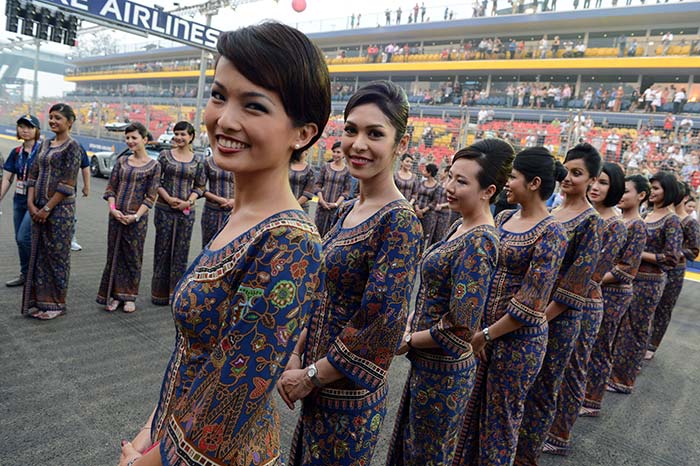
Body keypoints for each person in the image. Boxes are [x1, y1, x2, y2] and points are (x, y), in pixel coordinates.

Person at [118, 22, 330, 466]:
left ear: (303, 133)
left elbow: (233, 395)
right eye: (219, 96)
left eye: (253, 105)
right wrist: (150, 430)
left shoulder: (288, 243)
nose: (224, 119)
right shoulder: (243, 216)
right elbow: (196, 356)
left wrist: (146, 462)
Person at [281, 81, 423, 466]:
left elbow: (380, 323)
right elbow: (324, 294)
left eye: (375, 133)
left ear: (402, 143)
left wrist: (310, 375)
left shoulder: (399, 221)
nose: (358, 144)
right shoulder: (349, 209)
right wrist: (296, 354)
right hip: (319, 383)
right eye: (351, 129)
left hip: (348, 396)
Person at [386, 139, 514, 466]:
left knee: (426, 456)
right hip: (429, 363)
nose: (449, 187)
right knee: (412, 447)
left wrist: (408, 339)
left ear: (488, 190)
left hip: (444, 370)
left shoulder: (480, 241)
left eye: (461, 181)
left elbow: (460, 326)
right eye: (450, 176)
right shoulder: (461, 225)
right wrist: (415, 318)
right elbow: (438, 293)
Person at [452, 147, 568, 465]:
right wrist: (477, 329)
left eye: (513, 177)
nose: (507, 183)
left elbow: (531, 301)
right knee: (467, 416)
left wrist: (486, 335)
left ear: (533, 183)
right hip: (481, 335)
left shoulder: (552, 232)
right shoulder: (503, 217)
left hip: (517, 343)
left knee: (500, 423)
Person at [516, 143, 603, 464]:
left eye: (578, 173)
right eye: (567, 170)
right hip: (532, 313)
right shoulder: (552, 211)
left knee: (544, 386)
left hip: (558, 317)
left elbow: (574, 286)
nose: (568, 177)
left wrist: (537, 317)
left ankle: (527, 454)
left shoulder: (592, 222)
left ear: (592, 180)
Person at [545, 162, 625, 454]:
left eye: (603, 182)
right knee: (550, 371)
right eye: (596, 181)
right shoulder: (559, 212)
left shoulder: (610, 223)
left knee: (574, 368)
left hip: (585, 303)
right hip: (553, 300)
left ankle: (559, 434)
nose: (596, 187)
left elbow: (594, 273)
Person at [607, 171, 683, 394]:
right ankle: (613, 373)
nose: (653, 192)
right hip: (631, 278)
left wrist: (638, 254)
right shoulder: (647, 215)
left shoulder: (671, 220)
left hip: (650, 282)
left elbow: (672, 257)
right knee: (621, 328)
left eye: (657, 188)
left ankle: (624, 379)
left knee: (636, 329)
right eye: (652, 188)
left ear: (668, 191)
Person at [582, 174, 648, 417]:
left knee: (601, 345)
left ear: (640, 196)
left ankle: (592, 400)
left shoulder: (634, 225)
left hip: (613, 292)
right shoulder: (606, 219)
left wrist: (591, 278)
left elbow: (626, 268)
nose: (622, 196)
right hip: (597, 288)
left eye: (626, 191)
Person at [21, 103, 82, 320]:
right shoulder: (45, 144)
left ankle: (56, 304)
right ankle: (40, 301)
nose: (53, 121)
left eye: (58, 118)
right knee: (39, 255)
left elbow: (67, 184)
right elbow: (33, 174)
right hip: (37, 208)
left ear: (69, 122)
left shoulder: (73, 147)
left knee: (57, 256)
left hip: (59, 211)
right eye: (51, 117)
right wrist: (31, 204)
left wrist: (47, 208)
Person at [97, 122, 161, 313]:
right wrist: (113, 209)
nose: (130, 141)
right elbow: (110, 189)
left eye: (134, 137)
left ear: (145, 139)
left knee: (133, 256)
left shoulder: (154, 166)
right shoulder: (121, 162)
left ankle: (129, 296)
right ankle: (115, 295)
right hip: (116, 216)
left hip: (136, 219)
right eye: (127, 138)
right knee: (114, 254)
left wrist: (135, 216)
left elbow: (151, 196)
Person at [150, 121, 205, 305]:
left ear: (191, 137)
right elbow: (156, 181)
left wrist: (187, 201)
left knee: (181, 251)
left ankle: (176, 294)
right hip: (164, 209)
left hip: (186, 212)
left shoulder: (198, 160)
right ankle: (158, 294)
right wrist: (168, 198)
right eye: (177, 134)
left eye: (183, 134)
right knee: (162, 249)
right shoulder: (164, 156)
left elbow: (200, 187)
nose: (179, 138)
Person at [647, 182, 699, 357]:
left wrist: (674, 252)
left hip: (674, 270)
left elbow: (693, 251)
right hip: (655, 267)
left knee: (664, 307)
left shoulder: (689, 222)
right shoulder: (659, 216)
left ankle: (652, 345)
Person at [0, 115, 41, 287]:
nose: (25, 130)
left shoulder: (43, 151)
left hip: (36, 201)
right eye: (22, 127)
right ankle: (25, 274)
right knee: (20, 239)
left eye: (29, 127)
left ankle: (36, 273)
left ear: (37, 130)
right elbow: (8, 178)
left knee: (23, 237)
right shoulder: (16, 152)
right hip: (19, 200)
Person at [314, 141, 351, 237]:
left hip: (336, 209)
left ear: (344, 154)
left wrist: (336, 204)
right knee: (317, 233)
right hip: (322, 207)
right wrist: (321, 201)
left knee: (331, 234)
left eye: (338, 152)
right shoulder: (325, 167)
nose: (335, 154)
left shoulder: (347, 171)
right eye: (334, 151)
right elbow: (318, 185)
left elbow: (346, 191)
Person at [200, 150, 235, 248]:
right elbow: (200, 187)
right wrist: (219, 199)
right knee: (208, 245)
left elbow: (247, 186)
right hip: (211, 211)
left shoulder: (239, 162)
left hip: (234, 211)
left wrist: (234, 201)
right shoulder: (208, 162)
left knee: (229, 246)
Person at [413, 163, 441, 247]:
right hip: (417, 211)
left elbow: (434, 202)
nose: (423, 171)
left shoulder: (437, 186)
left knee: (423, 236)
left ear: (429, 173)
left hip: (428, 215)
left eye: (425, 170)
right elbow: (416, 196)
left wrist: (423, 211)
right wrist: (417, 209)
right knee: (414, 232)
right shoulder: (421, 183)